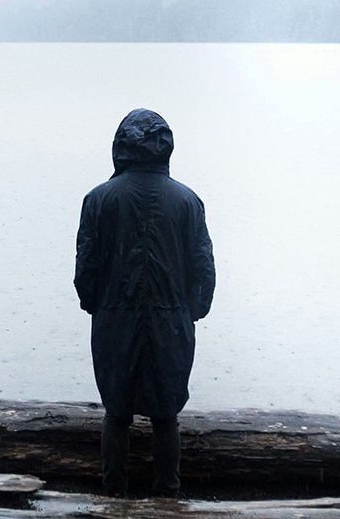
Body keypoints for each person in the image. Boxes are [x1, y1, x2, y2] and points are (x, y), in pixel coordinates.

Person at [74, 108, 215, 497]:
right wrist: (194, 311)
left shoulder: (99, 199)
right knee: (166, 416)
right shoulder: (188, 202)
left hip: (114, 320)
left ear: (120, 147)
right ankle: (167, 494)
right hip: (172, 321)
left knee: (116, 414)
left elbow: (86, 266)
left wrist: (95, 306)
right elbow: (203, 267)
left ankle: (114, 494)